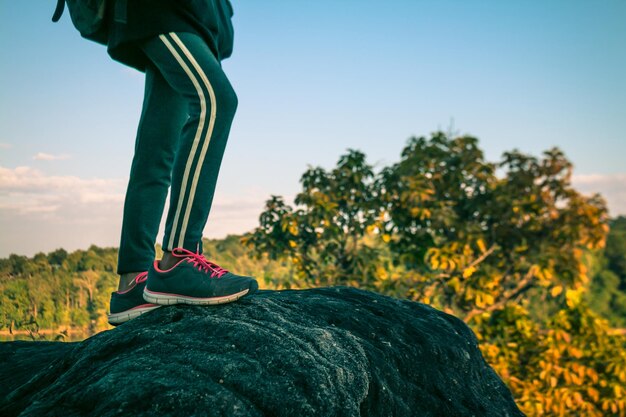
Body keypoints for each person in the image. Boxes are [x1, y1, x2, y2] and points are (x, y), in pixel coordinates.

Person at [104, 0, 258, 326]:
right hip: (162, 11)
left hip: (190, 19)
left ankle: (132, 285)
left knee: (157, 149)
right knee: (216, 101)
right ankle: (179, 257)